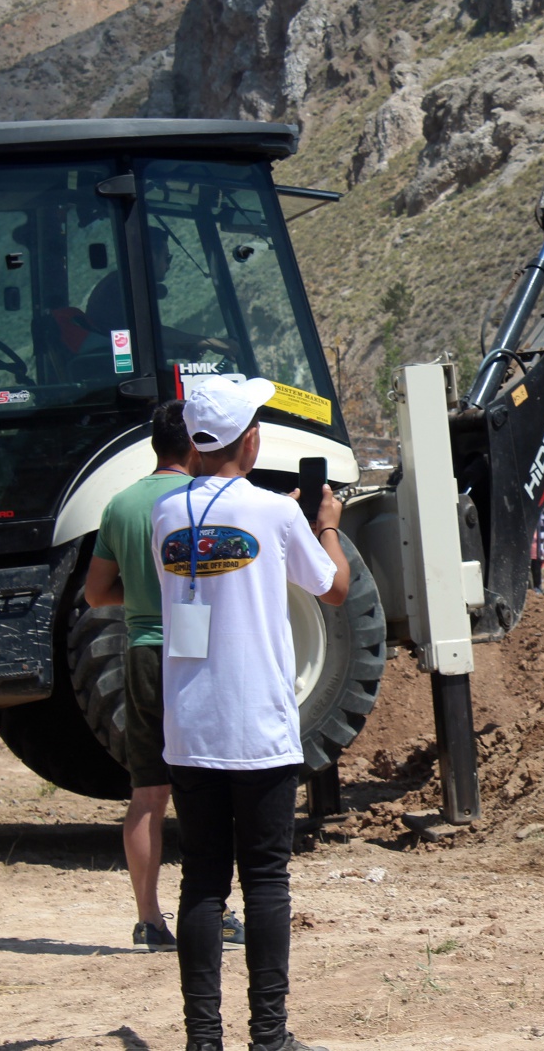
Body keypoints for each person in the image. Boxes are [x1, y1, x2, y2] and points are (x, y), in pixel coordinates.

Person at [152, 376, 348, 1051]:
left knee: (203, 878)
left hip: (190, 727)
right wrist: (325, 525)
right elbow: (336, 587)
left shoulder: (165, 516)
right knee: (266, 879)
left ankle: (202, 1039)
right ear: (250, 438)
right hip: (258, 728)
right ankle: (269, 1036)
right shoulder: (276, 514)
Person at [85, 400, 247, 953]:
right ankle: (215, 911)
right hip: (196, 650)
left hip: (142, 649)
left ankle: (149, 919)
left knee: (147, 791)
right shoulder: (196, 502)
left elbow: (96, 593)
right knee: (210, 787)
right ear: (197, 444)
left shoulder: (121, 504)